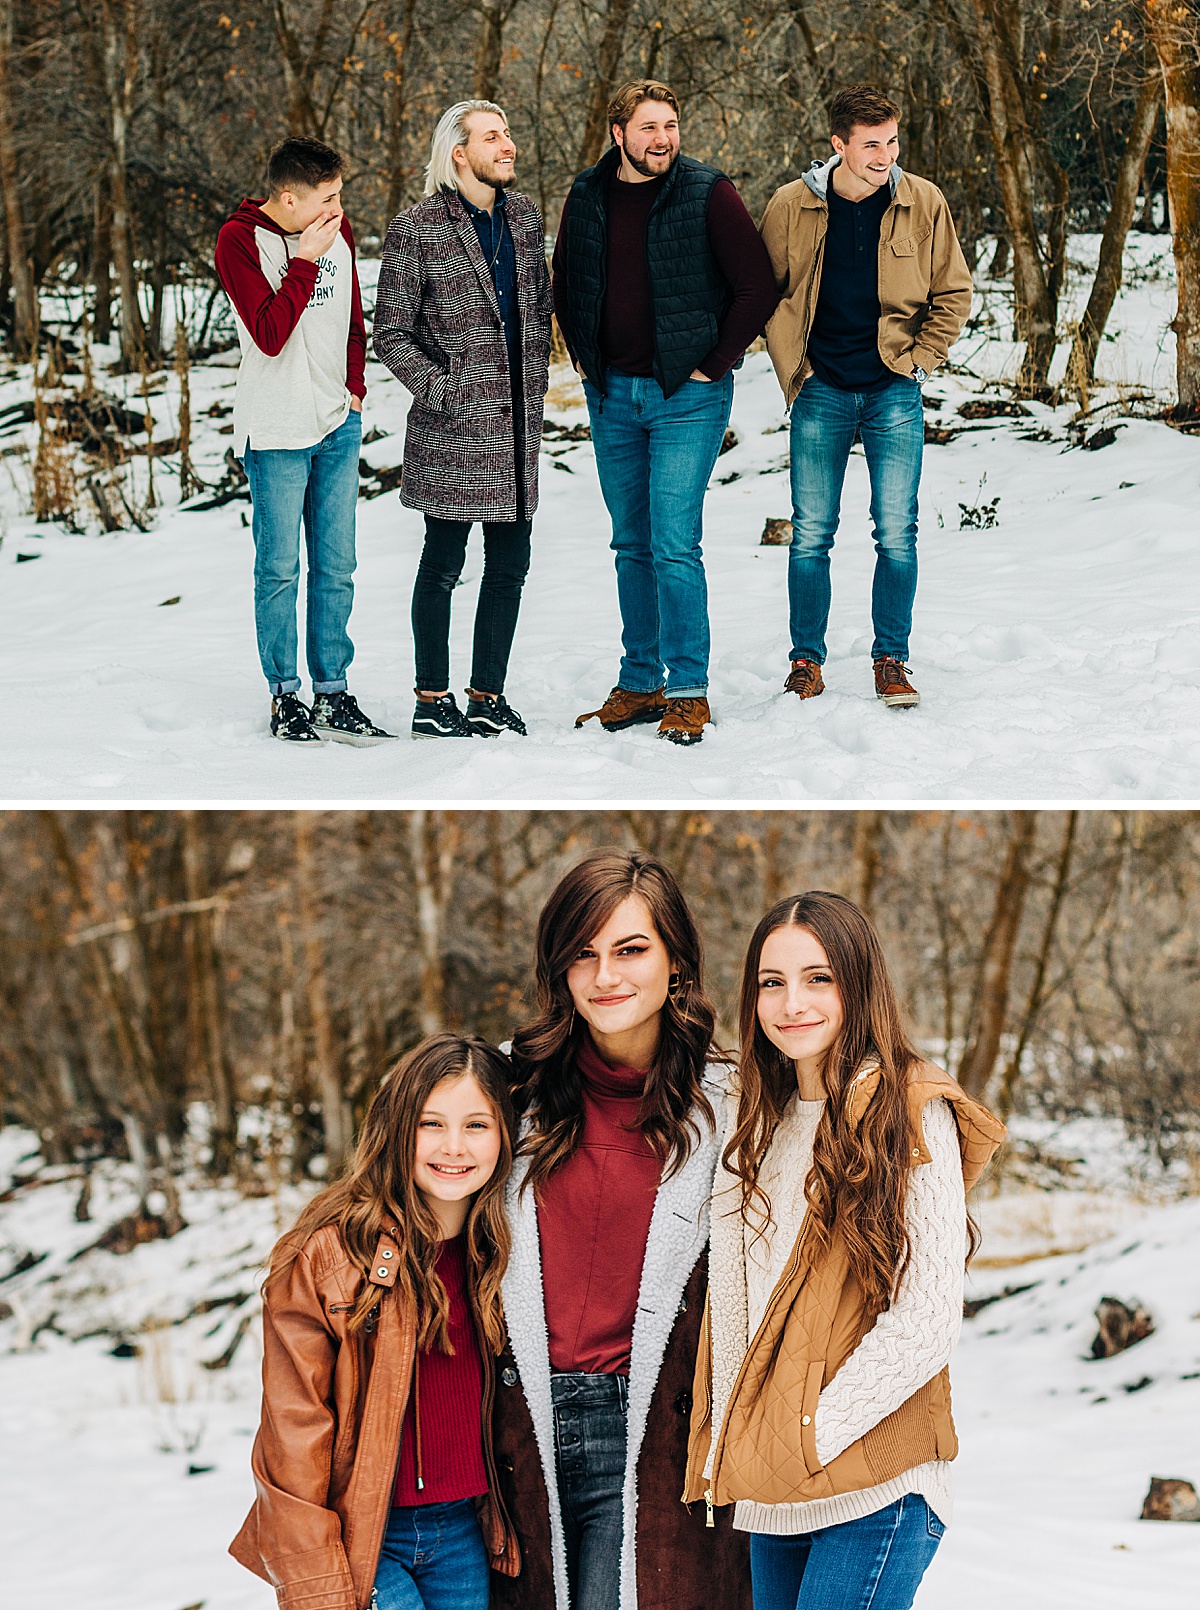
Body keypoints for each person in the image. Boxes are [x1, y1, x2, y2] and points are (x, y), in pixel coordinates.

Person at [684, 891, 1006, 1610]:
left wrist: (804, 1438)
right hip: (776, 1499)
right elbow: (737, 1305)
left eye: (818, 978)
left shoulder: (910, 1107)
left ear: (859, 984)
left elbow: (925, 1321)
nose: (792, 1002)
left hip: (874, 1490)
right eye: (773, 982)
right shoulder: (752, 1121)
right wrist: (744, 1450)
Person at [490, 850, 751, 1610]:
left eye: (631, 950)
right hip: (508, 1434)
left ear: (675, 963)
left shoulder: (730, 1105)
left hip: (645, 1440)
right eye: (584, 953)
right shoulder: (508, 1090)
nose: (606, 976)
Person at [229, 1033, 523, 1610]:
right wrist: (318, 1579)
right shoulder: (332, 1257)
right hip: (363, 1535)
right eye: (431, 1124)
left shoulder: (505, 1254)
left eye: (477, 1125)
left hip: (463, 1532)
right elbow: (293, 1435)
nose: (454, 1147)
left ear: (505, 1135)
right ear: (397, 1129)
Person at [554, 81, 778, 746]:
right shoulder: (587, 194)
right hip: (612, 396)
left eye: (671, 125)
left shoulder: (707, 192)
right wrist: (584, 357)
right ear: (617, 132)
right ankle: (640, 681)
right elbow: (567, 277)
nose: (663, 138)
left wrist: (713, 362)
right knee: (631, 545)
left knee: (674, 544)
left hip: (687, 397)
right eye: (649, 127)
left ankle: (687, 691)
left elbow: (756, 286)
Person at [759, 85, 974, 710]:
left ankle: (891, 658)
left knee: (897, 533)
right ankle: (805, 662)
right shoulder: (791, 207)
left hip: (892, 391)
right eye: (872, 144)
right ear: (839, 145)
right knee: (810, 535)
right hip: (820, 388)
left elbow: (953, 292)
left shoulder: (923, 201)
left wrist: (920, 361)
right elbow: (759, 290)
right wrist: (788, 366)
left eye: (893, 141)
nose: (886, 155)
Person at [373, 101, 553, 741]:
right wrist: (443, 388)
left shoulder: (526, 219)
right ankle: (431, 700)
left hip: (516, 428)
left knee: (511, 566)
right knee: (443, 565)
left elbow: (538, 308)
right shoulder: (417, 228)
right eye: (493, 137)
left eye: (508, 134)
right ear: (458, 152)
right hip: (451, 428)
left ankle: (487, 696)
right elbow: (390, 330)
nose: (508, 146)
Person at [215, 136, 394, 745]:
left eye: (340, 196)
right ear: (288, 198)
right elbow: (268, 333)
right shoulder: (240, 241)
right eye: (327, 199)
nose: (337, 209)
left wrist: (355, 388)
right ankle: (285, 695)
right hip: (276, 427)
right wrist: (304, 261)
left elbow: (350, 320)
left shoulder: (335, 232)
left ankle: (333, 692)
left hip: (337, 423)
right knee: (280, 569)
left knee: (337, 566)